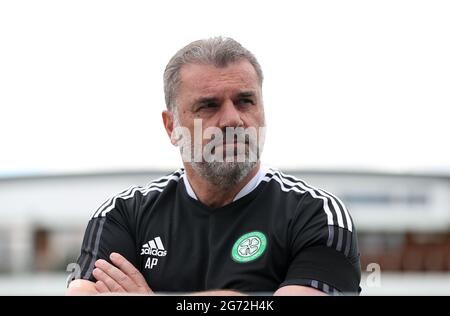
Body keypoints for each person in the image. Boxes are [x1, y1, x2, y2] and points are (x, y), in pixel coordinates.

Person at [66, 37, 361, 296]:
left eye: (245, 101)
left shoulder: (317, 213)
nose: (232, 119)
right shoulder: (124, 214)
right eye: (208, 106)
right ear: (172, 126)